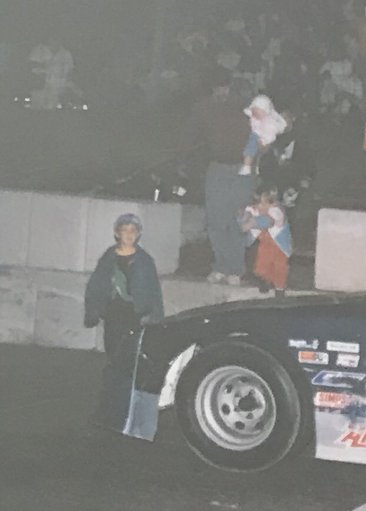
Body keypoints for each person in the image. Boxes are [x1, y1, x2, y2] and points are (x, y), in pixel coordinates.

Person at [83, 214, 164, 431]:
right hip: (113, 316)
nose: (128, 235)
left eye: (133, 231)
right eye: (124, 230)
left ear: (138, 234)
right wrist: (93, 311)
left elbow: (153, 291)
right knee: (114, 360)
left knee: (131, 363)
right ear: (117, 233)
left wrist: (154, 317)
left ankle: (128, 412)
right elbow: (96, 285)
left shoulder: (144, 260)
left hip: (135, 316)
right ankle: (111, 410)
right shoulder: (109, 257)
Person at [180, 71, 256, 285]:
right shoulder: (210, 109)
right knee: (216, 219)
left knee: (238, 219)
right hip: (218, 167)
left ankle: (235, 268)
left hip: (243, 169)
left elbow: (270, 136)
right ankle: (221, 266)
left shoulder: (253, 115)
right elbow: (192, 129)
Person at [240, 182, 292, 296]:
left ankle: (280, 288)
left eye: (262, 205)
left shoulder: (277, 211)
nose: (259, 208)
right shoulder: (257, 208)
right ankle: (265, 281)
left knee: (279, 267)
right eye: (257, 204)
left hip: (279, 246)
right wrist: (245, 217)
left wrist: (253, 222)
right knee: (262, 265)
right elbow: (248, 212)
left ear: (272, 203)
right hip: (265, 244)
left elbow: (268, 221)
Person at [240, 94, 288, 176]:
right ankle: (247, 166)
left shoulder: (270, 123)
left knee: (269, 149)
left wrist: (265, 141)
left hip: (266, 139)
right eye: (254, 111)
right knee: (250, 149)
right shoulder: (252, 118)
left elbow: (271, 134)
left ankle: (254, 167)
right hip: (256, 137)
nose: (256, 114)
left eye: (259, 112)